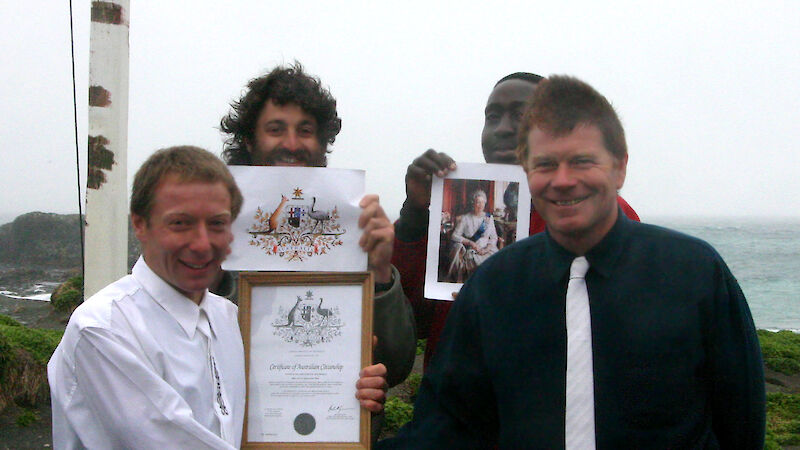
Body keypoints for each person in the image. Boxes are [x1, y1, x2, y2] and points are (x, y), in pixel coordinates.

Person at [379, 76, 765, 448]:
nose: (563, 180)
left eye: (581, 161)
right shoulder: (486, 272)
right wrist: (413, 219)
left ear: (619, 167)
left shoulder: (689, 269)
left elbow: (739, 418)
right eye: (492, 116)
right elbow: (421, 337)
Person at [48, 146, 388, 449]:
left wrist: (346, 386)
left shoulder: (227, 317)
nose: (201, 243)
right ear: (140, 224)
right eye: (180, 223)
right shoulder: (104, 328)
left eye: (216, 224)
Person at [218, 63, 416, 439]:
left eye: (305, 131)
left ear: (323, 142)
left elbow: (399, 364)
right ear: (248, 139)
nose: (292, 143)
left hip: (336, 437)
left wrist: (382, 272)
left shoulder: (353, 224)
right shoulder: (214, 222)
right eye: (276, 129)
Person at [392, 72, 640, 367]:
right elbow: (414, 320)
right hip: (456, 399)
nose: (503, 129)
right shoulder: (441, 213)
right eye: (492, 117)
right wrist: (414, 215)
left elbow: (624, 327)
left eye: (522, 115)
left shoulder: (601, 214)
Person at [445, 189, 498, 282]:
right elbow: (455, 236)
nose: (480, 205)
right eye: (478, 202)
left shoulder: (489, 218)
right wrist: (471, 243)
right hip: (471, 251)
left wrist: (487, 248)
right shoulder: (466, 218)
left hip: (487, 250)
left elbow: (494, 237)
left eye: (483, 202)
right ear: (473, 203)